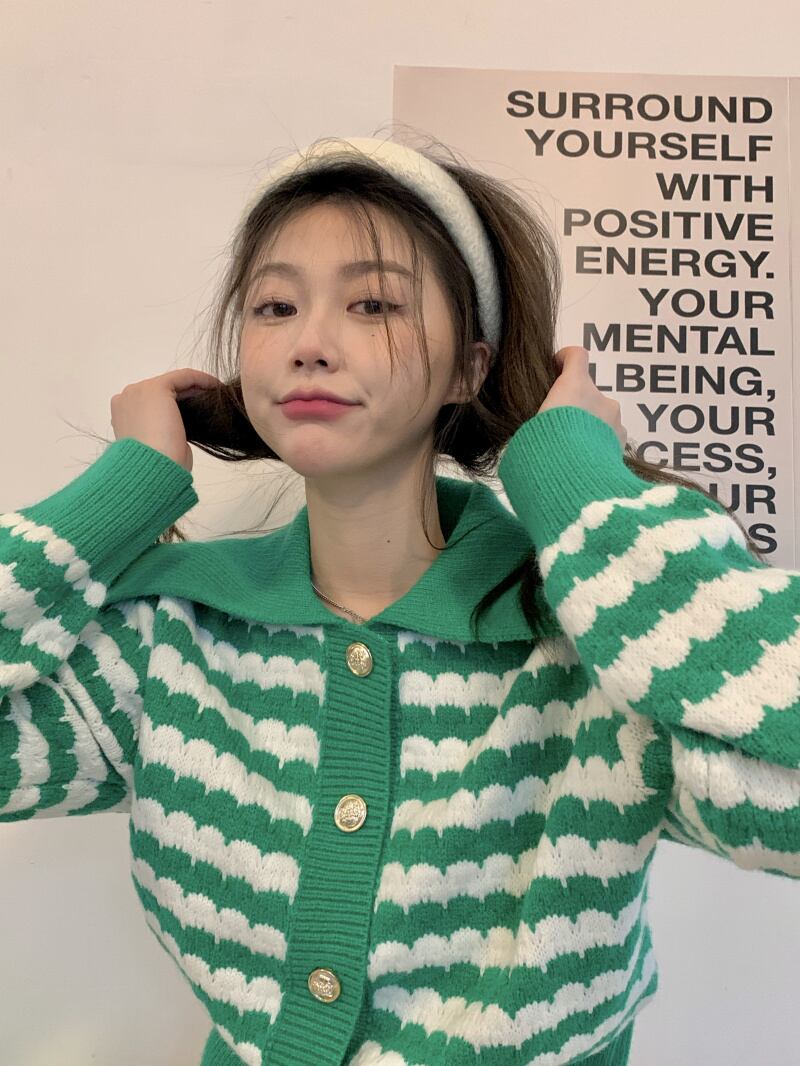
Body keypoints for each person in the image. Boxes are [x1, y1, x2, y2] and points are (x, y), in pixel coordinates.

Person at [1, 134, 798, 1066]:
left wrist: (576, 481)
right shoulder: (170, 642)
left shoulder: (587, 655)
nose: (308, 344)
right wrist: (127, 488)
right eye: (274, 306)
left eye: (374, 303)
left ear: (469, 368)